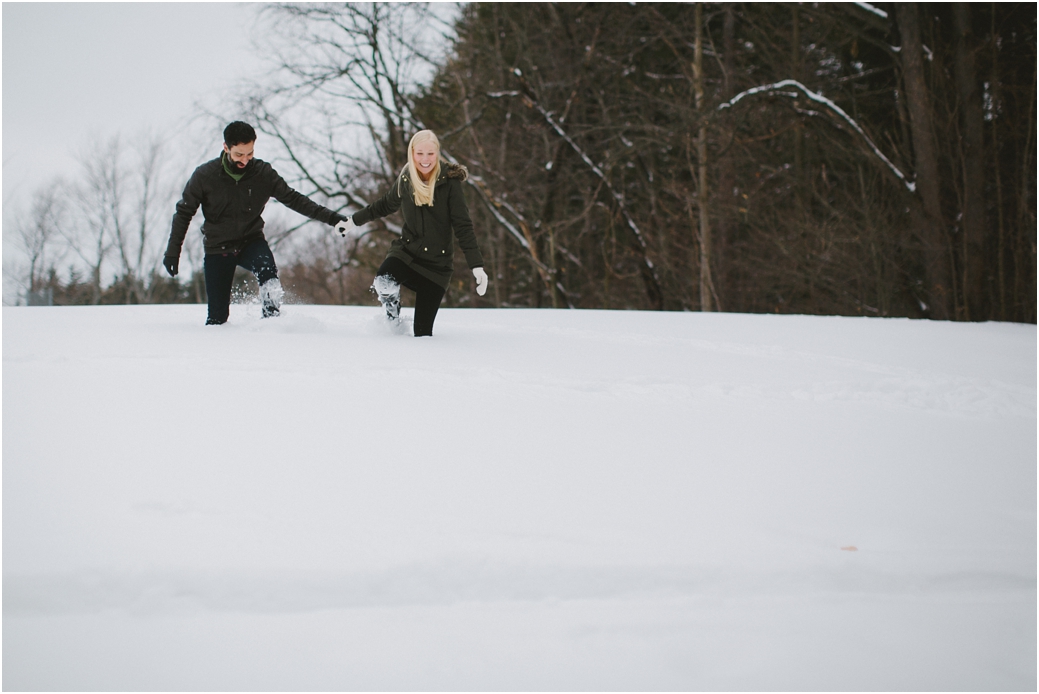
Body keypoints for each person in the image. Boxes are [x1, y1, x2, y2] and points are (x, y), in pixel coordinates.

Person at [163, 121, 352, 325]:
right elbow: (184, 212)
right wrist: (173, 251)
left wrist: (332, 218)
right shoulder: (205, 176)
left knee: (268, 274)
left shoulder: (262, 174)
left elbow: (294, 199)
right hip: (218, 248)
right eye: (239, 155)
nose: (245, 160)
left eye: (250, 154)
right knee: (217, 318)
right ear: (226, 148)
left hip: (250, 242)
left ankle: (271, 326)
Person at [337, 130, 488, 337]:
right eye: (420, 154)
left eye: (430, 154)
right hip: (407, 254)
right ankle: (393, 323)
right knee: (384, 280)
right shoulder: (406, 178)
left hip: (436, 267)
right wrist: (353, 221)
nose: (425, 159)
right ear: (412, 153)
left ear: (438, 154)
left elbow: (463, 226)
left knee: (423, 335)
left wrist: (476, 265)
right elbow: (383, 205)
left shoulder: (450, 183)